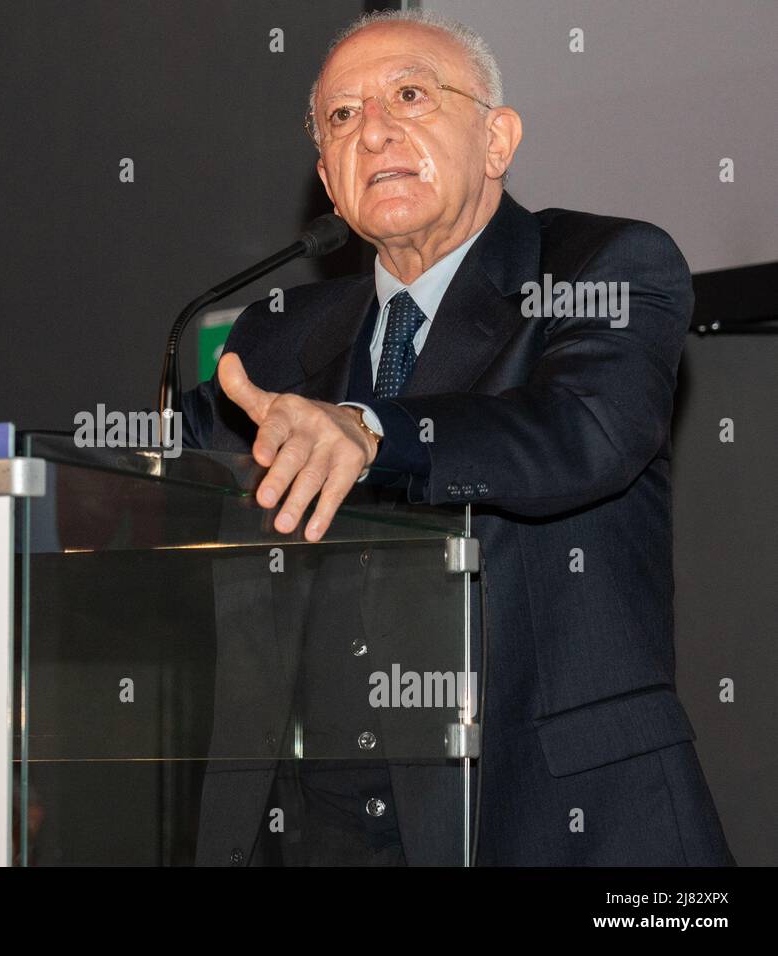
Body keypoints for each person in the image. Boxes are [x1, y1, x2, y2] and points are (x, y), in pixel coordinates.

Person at [182, 9, 733, 865]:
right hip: (316, 824)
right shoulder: (279, 334)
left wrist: (372, 429)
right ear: (328, 180)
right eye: (342, 117)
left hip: (553, 812)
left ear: (498, 138)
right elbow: (162, 478)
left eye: (410, 94)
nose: (375, 132)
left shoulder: (602, 266)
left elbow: (586, 431)